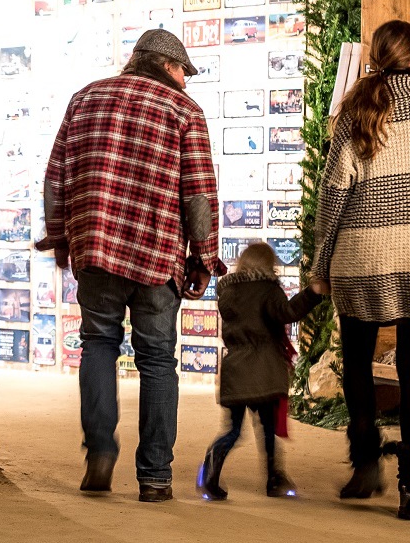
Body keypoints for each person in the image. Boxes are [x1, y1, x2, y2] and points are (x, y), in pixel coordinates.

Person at [37, 28, 226, 503]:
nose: (186, 80)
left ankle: (100, 451)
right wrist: (203, 257)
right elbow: (198, 194)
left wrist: (60, 234)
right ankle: (156, 477)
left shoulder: (86, 98)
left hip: (97, 250)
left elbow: (56, 176)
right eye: (184, 70)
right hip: (157, 255)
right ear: (166, 65)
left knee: (98, 343)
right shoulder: (185, 112)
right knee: (158, 359)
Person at [307, 19, 410, 520]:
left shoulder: (356, 108)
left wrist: (321, 266)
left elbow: (332, 195)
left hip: (361, 261)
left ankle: (364, 465)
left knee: (358, 362)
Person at [197, 242, 323, 501]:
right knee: (267, 431)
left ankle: (210, 472)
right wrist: (313, 292)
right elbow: (287, 313)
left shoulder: (228, 292)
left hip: (235, 370)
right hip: (264, 371)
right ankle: (274, 480)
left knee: (232, 431)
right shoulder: (268, 289)